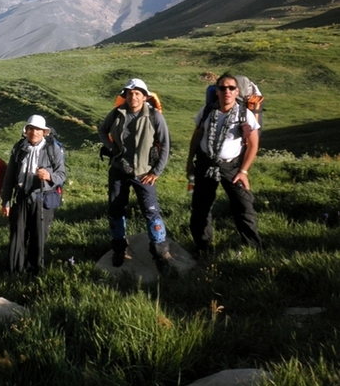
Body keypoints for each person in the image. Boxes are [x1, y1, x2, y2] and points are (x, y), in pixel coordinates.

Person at [98, 78, 172, 270]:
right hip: (119, 169)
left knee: (151, 212)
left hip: (144, 172)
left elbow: (165, 145)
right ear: (125, 96)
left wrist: (156, 171)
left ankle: (161, 253)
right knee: (115, 210)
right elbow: (102, 130)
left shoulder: (154, 116)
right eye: (130, 93)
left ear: (145, 96)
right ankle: (119, 249)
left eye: (138, 93)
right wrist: (112, 149)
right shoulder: (117, 113)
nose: (133, 97)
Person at [186, 72, 263, 257]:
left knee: (244, 205)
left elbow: (253, 144)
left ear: (237, 92)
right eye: (222, 88)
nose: (227, 91)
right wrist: (190, 162)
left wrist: (243, 171)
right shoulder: (206, 111)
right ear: (217, 92)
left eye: (231, 88)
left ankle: (253, 248)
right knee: (201, 208)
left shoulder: (244, 114)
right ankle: (202, 248)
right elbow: (197, 136)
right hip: (205, 163)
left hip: (231, 166)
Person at [1, 115, 66, 274]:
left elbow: (62, 175)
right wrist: (6, 201)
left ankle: (34, 271)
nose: (34, 132)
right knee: (17, 235)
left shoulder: (53, 149)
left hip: (42, 197)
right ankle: (15, 271)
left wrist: (49, 176)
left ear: (44, 132)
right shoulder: (19, 148)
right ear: (26, 130)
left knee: (38, 235)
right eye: (31, 128)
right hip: (21, 196)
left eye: (37, 129)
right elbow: (9, 177)